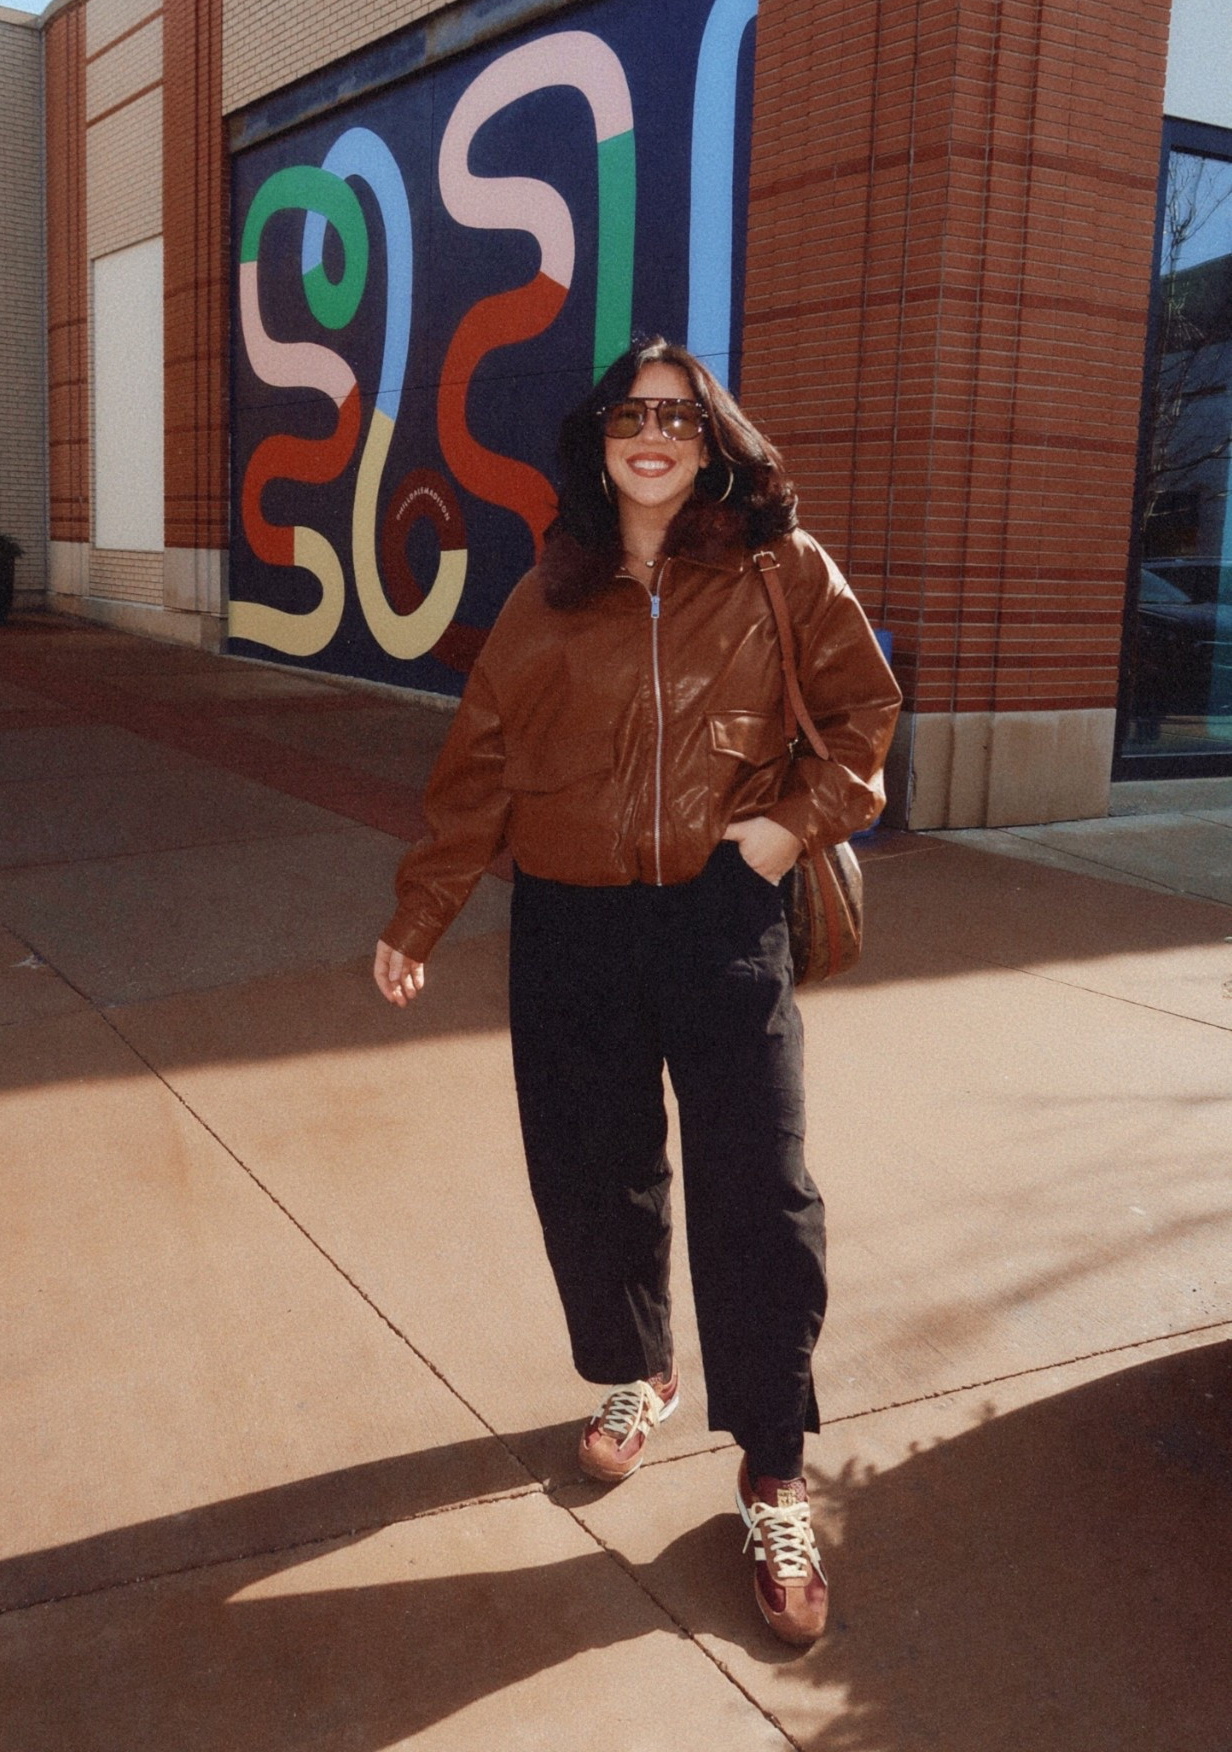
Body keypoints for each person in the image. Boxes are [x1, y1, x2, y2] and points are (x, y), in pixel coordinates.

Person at [374, 335, 901, 1645]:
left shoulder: (780, 570)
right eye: (628, 417)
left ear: (712, 439)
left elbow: (861, 713)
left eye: (676, 416)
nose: (651, 435)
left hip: (723, 916)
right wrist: (424, 909)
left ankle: (771, 1468)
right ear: (597, 446)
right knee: (591, 1167)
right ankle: (636, 1374)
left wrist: (787, 829)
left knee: (758, 1189)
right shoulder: (546, 596)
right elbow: (479, 765)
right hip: (568, 925)